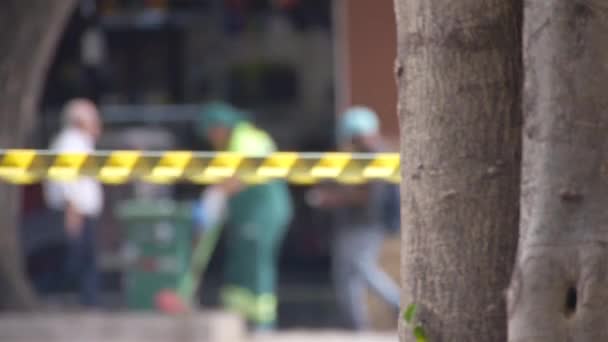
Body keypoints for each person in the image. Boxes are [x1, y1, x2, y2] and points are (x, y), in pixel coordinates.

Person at [196, 102, 293, 332]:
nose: (211, 139)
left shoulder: (247, 139)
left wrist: (214, 194)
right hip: (245, 213)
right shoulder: (231, 142)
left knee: (256, 264)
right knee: (240, 263)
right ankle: (237, 317)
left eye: (211, 133)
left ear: (220, 127)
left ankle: (263, 323)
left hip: (262, 211)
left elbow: (242, 176)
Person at [307, 106, 400, 330]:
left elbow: (365, 196)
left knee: (360, 268)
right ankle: (358, 327)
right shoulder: (363, 155)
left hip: (365, 225)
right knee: (347, 277)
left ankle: (397, 301)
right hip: (353, 224)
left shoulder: (373, 157)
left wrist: (329, 198)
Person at [43, 98, 103, 307]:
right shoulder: (70, 142)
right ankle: (51, 295)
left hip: (80, 211)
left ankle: (89, 303)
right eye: (93, 120)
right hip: (74, 211)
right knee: (74, 262)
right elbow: (65, 179)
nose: (98, 125)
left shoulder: (82, 142)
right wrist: (72, 210)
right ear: (79, 121)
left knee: (83, 261)